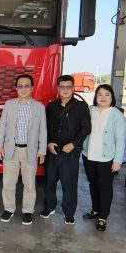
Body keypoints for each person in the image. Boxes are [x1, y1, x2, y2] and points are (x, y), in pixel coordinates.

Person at [0, 74, 46, 225]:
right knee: (8, 182)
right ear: (16, 88)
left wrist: (42, 150)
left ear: (32, 88)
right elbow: (2, 126)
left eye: (26, 86)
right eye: (20, 86)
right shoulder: (9, 104)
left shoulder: (39, 107)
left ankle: (28, 211)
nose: (23, 89)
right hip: (11, 149)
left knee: (29, 184)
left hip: (30, 151)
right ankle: (9, 209)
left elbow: (43, 131)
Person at [41, 75, 91, 225]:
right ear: (58, 88)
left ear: (73, 88)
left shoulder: (81, 106)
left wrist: (74, 144)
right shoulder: (51, 106)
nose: (65, 90)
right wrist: (49, 143)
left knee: (69, 184)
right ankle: (49, 207)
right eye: (62, 87)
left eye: (68, 87)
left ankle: (69, 213)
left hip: (70, 152)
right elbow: (45, 127)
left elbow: (86, 128)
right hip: (53, 150)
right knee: (49, 182)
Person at [81, 84, 126, 232]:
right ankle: (95, 210)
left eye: (107, 95)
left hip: (107, 158)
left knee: (105, 187)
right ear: (95, 97)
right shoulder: (90, 110)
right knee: (93, 184)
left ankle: (103, 217)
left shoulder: (116, 114)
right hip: (89, 155)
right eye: (100, 94)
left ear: (112, 97)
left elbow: (121, 140)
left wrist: (118, 160)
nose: (103, 98)